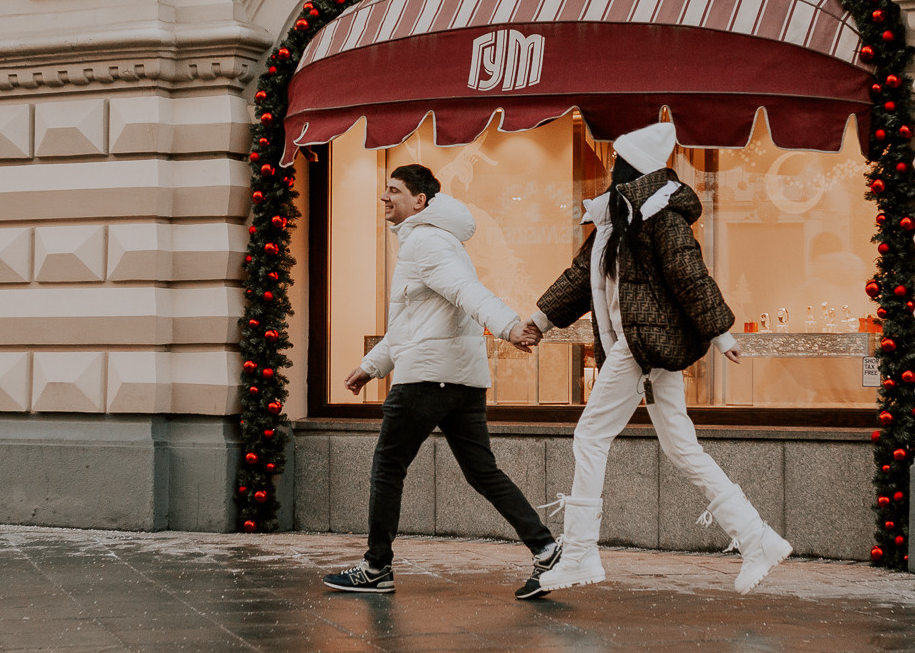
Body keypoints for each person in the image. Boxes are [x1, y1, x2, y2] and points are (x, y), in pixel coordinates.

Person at [517, 122, 791, 598]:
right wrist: (538, 320)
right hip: (644, 346)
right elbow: (581, 277)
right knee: (682, 448)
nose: (608, 169)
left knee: (590, 436)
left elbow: (690, 273)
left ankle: (580, 551)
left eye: (615, 162)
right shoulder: (616, 219)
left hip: (642, 345)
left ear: (629, 167)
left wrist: (721, 331)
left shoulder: (660, 215)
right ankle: (757, 538)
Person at [323, 164, 562, 599]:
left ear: (420, 202)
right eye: (384, 190)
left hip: (426, 380)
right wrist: (372, 365)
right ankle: (544, 547)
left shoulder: (426, 241)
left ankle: (376, 567)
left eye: (393, 191)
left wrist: (508, 325)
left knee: (387, 467)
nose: (384, 198)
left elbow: (465, 291)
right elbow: (417, 321)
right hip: (459, 379)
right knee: (481, 472)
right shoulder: (438, 240)